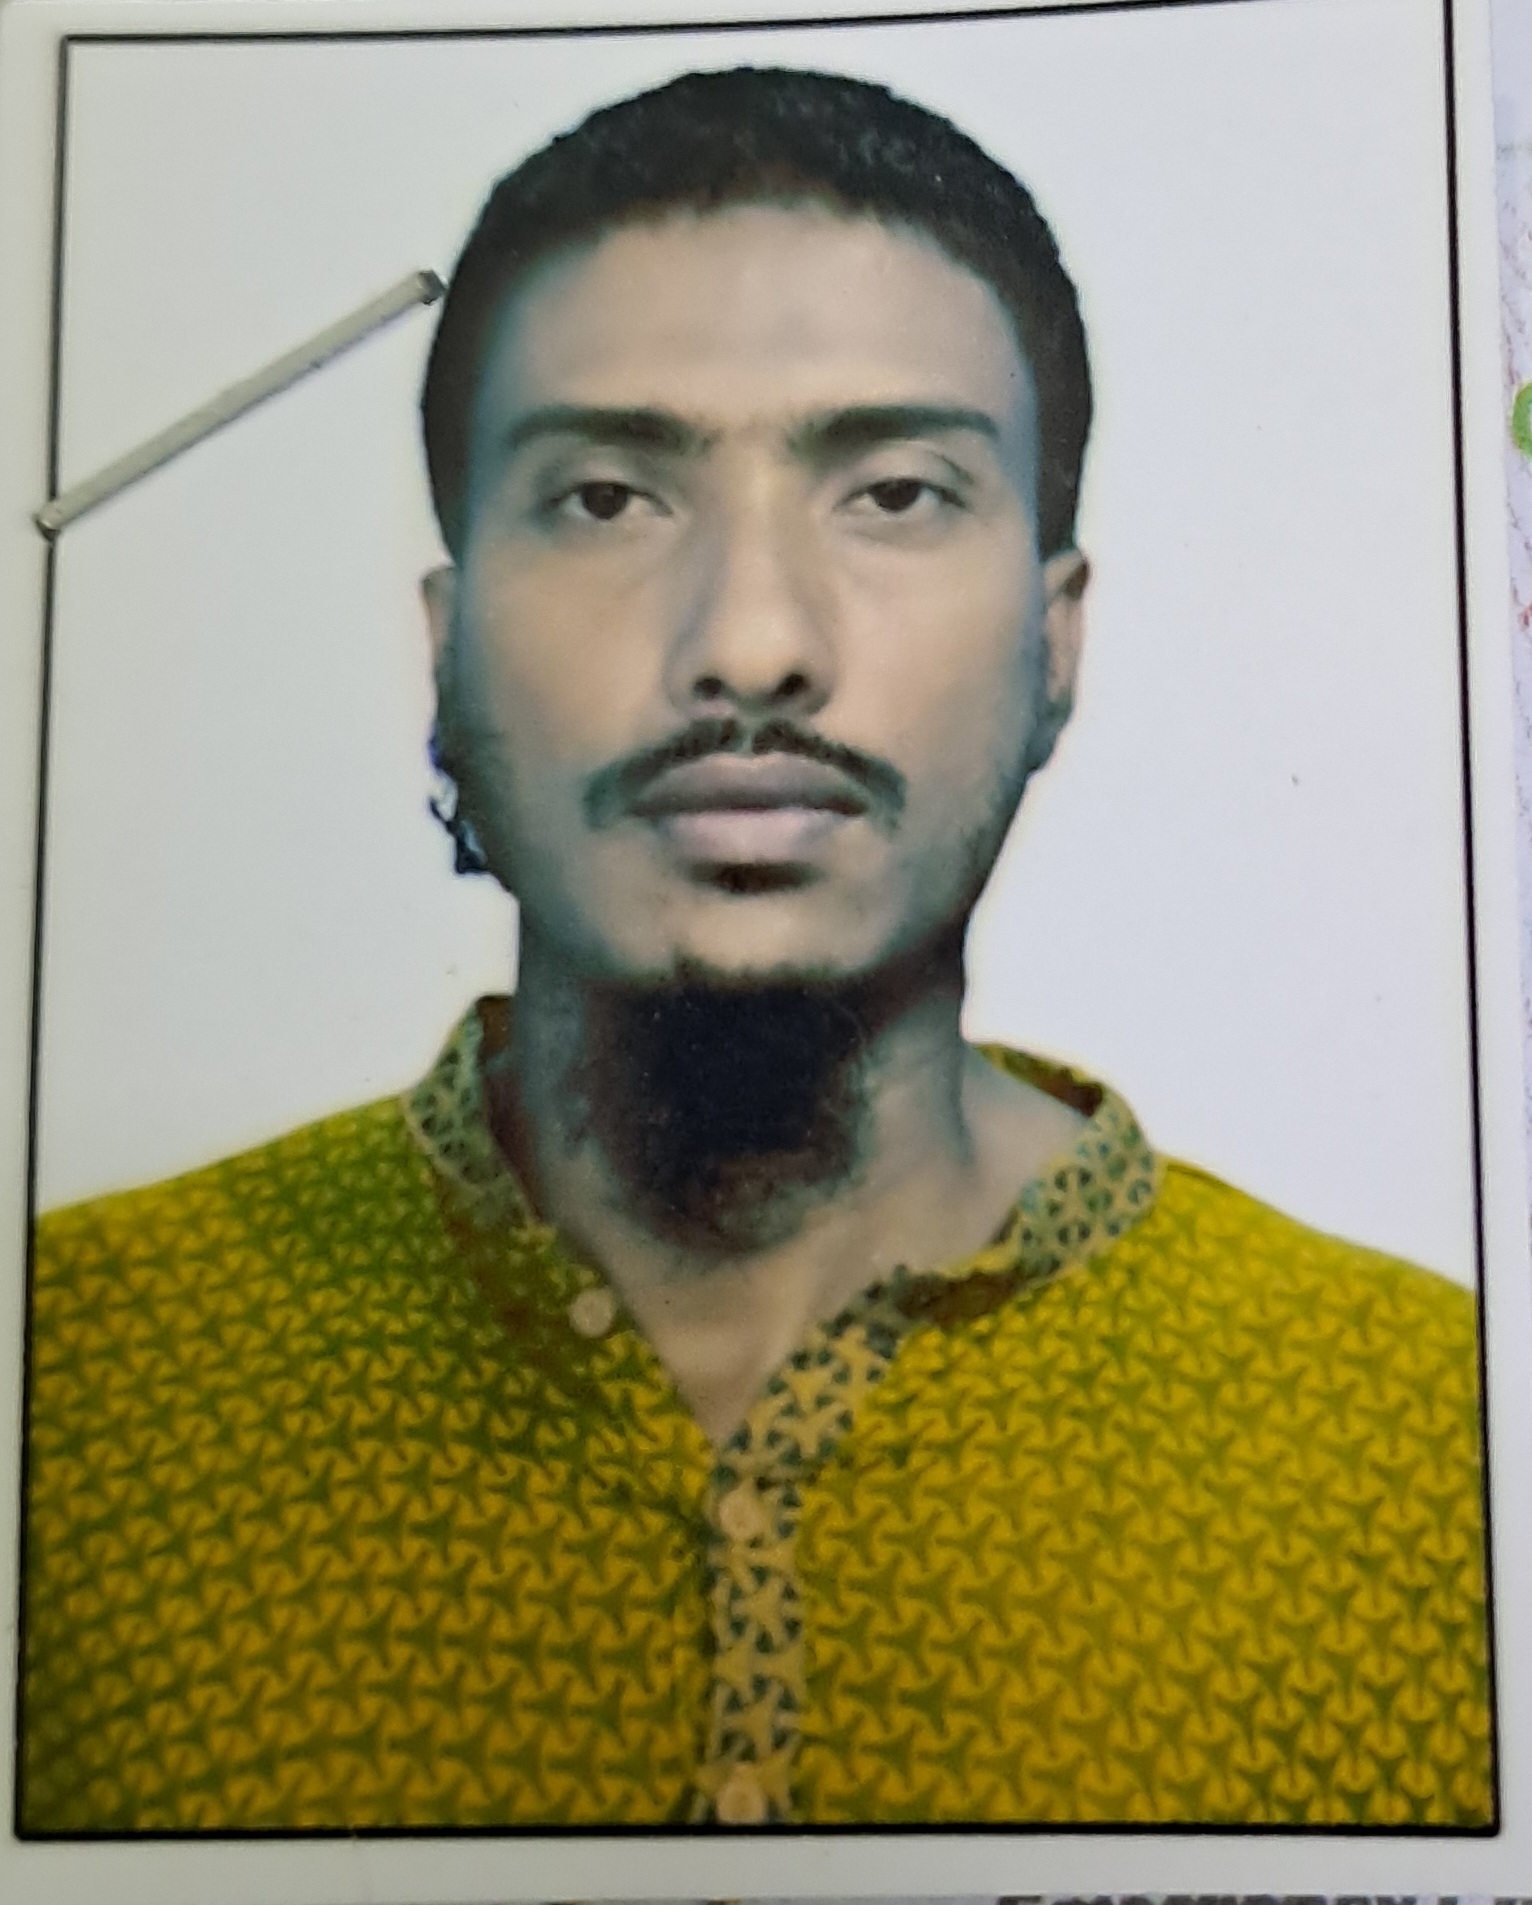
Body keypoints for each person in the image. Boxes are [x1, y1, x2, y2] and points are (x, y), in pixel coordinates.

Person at [19, 65, 1490, 1835]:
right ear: (447, 642)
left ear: (1055, 642)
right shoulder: (65, 1382)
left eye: (897, 492)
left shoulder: (1438, 1449)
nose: (751, 639)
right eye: (607, 498)